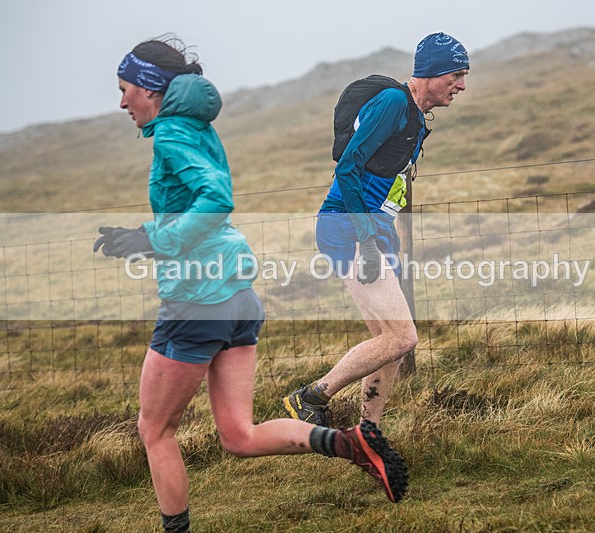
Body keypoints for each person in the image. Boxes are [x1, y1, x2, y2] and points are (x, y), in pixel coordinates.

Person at [93, 36, 409, 533]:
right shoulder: (197, 127)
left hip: (197, 298)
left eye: (125, 88)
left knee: (154, 430)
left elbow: (216, 197)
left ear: (149, 88)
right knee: (238, 435)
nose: (121, 101)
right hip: (238, 296)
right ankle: (349, 443)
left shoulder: (173, 133)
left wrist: (149, 238)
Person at [283, 33, 469, 427]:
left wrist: (385, 234)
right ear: (432, 72)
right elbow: (348, 167)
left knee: (390, 344)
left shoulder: (416, 117)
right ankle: (311, 396)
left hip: (372, 229)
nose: (462, 85)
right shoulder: (392, 103)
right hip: (347, 228)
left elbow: (386, 182)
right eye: (456, 74)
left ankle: (368, 431)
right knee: (403, 337)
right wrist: (367, 239)